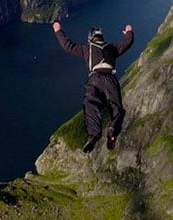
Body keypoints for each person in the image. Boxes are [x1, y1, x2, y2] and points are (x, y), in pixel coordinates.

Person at [52, 21, 134, 152]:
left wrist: (58, 30)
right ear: (101, 37)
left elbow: (67, 45)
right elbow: (128, 42)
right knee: (116, 109)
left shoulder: (86, 49)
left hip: (94, 80)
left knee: (91, 104)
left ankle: (93, 135)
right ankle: (113, 130)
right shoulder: (113, 48)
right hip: (110, 80)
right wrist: (129, 31)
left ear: (90, 38)